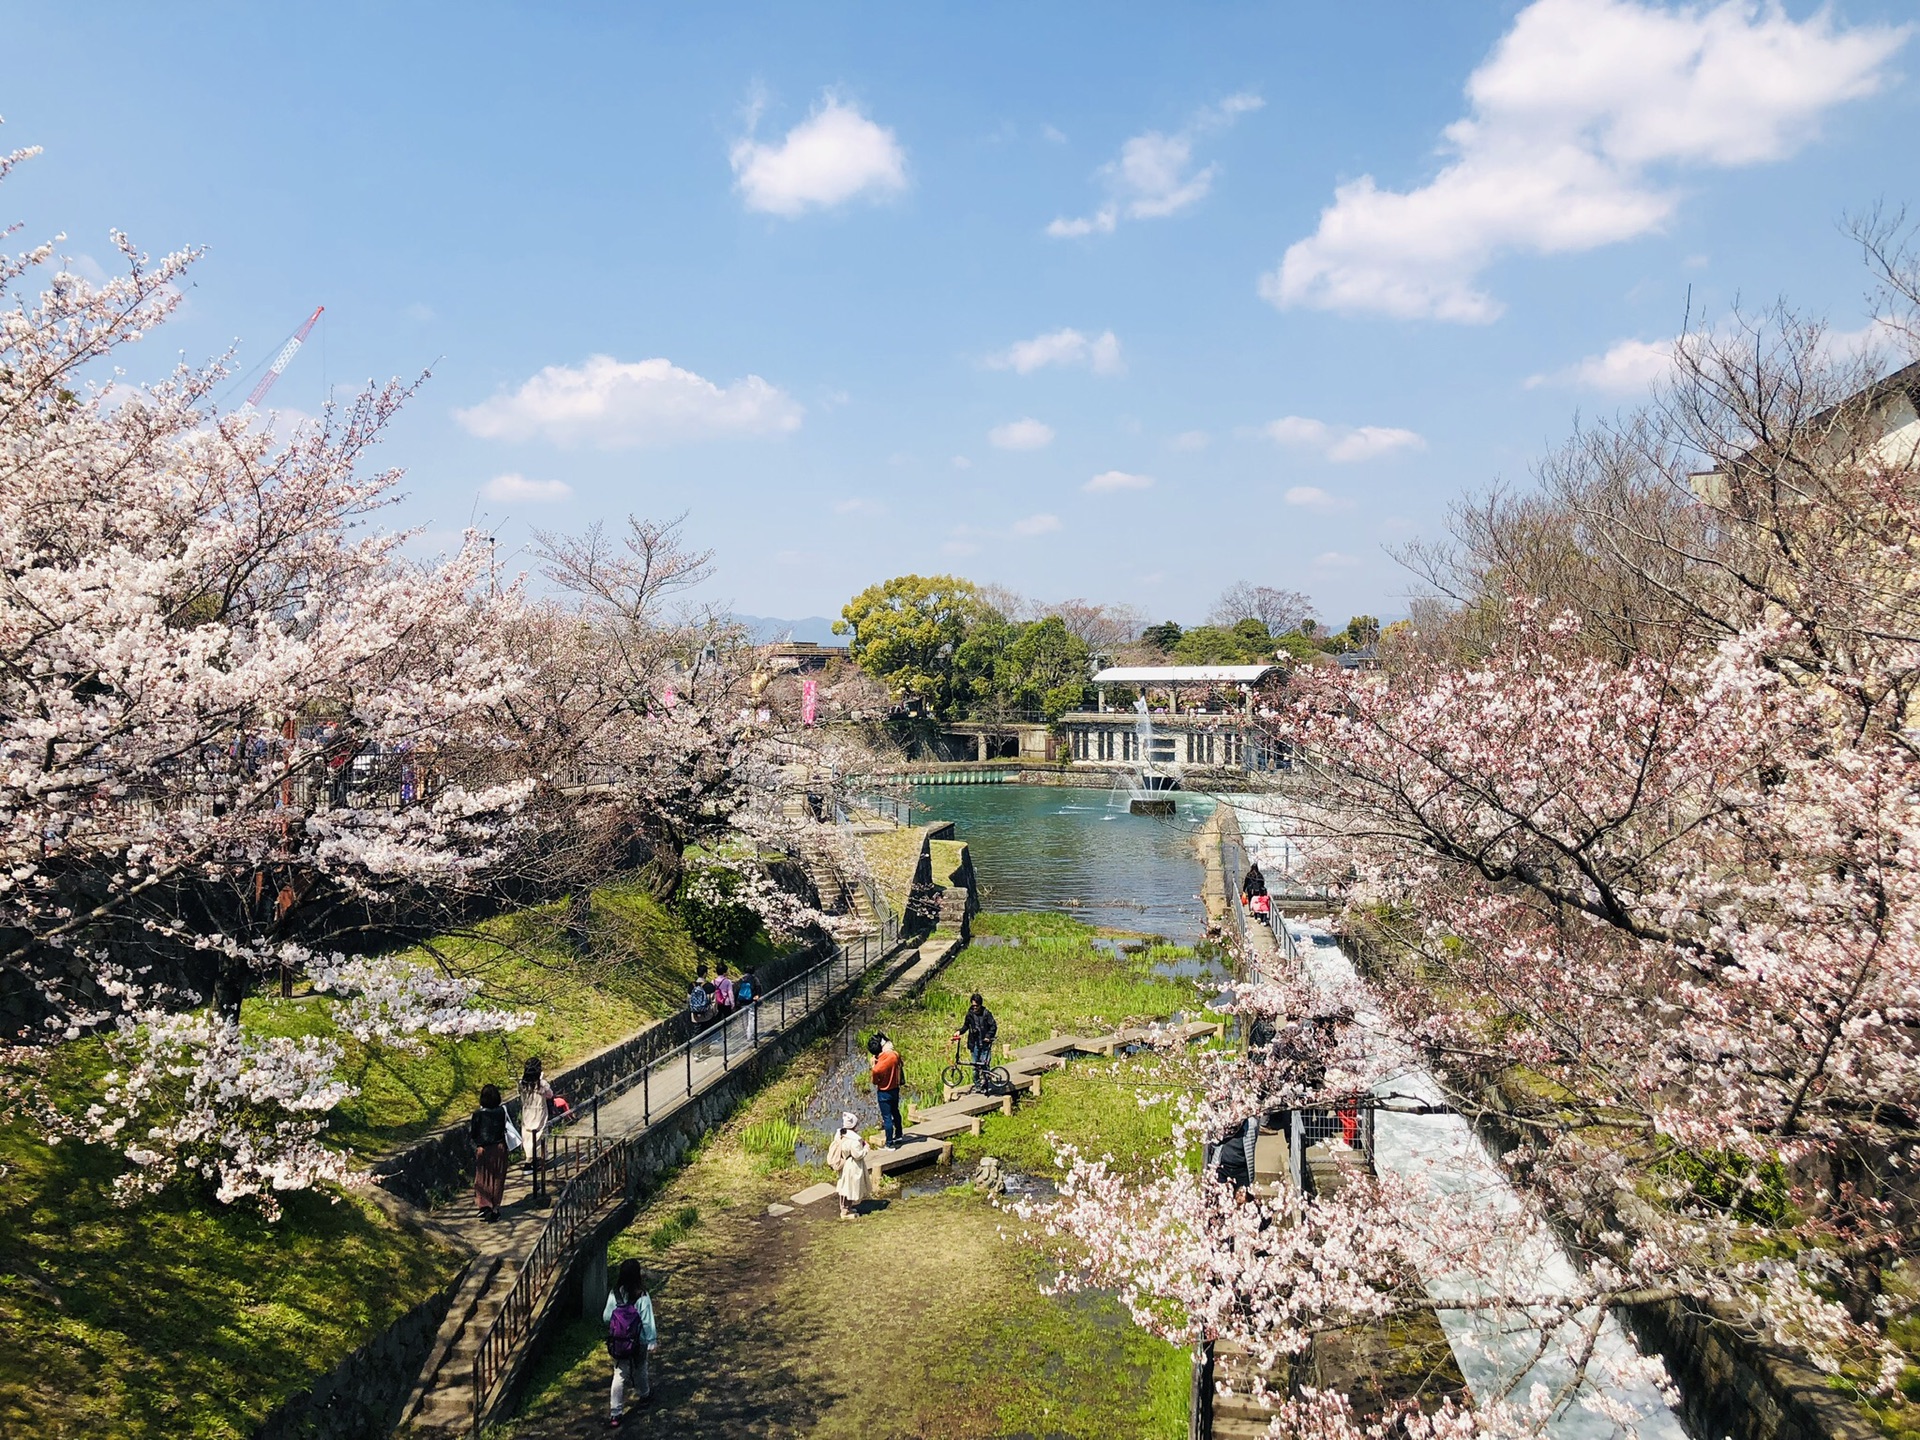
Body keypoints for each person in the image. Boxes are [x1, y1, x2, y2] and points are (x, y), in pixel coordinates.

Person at [603, 1257, 657, 1425]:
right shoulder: (642, 1295)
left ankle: (615, 1412)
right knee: (641, 1368)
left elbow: (606, 1316)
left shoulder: (615, 1293)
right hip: (638, 1341)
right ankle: (645, 1395)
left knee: (619, 1375)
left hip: (619, 1342)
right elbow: (647, 1321)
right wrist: (652, 1340)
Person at [469, 1083, 510, 1221]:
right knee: (498, 1177)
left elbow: (473, 1133)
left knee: (482, 1177)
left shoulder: (477, 1114)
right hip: (499, 1147)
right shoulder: (501, 1111)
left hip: (483, 1148)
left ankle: (484, 1204)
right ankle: (495, 1207)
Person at [518, 1056, 555, 1203]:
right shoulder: (542, 1084)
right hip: (539, 1111)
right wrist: (542, 1079)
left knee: (527, 1135)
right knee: (539, 1134)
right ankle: (535, 1160)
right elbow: (550, 1094)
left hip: (527, 1111)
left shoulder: (522, 1084)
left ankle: (529, 1159)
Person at [825, 1111, 872, 1219]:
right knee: (849, 1188)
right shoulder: (854, 1140)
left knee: (845, 1186)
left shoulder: (840, 1134)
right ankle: (845, 1212)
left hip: (844, 1163)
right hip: (852, 1166)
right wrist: (865, 1149)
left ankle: (847, 1208)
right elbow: (858, 1155)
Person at [950, 993, 998, 1092]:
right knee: (975, 1067)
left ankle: (985, 1084)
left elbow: (993, 1026)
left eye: (976, 1006)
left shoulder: (986, 1014)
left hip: (985, 1044)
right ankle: (977, 1085)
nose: (975, 1007)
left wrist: (988, 1036)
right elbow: (966, 1026)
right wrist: (959, 1031)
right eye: (973, 1005)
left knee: (985, 1065)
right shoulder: (969, 1015)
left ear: (980, 1005)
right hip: (974, 1044)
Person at [868, 1033, 904, 1147]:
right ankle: (899, 1135)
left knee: (887, 1118)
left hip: (884, 1093)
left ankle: (889, 1144)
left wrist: (873, 1065)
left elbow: (875, 1081)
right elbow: (900, 1063)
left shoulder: (877, 1069)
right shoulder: (894, 1055)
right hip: (895, 1090)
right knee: (896, 1112)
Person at [735, 966, 758, 1044]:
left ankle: (746, 1034)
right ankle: (751, 1035)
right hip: (751, 1002)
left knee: (744, 1019)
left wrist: (736, 1001)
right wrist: (757, 995)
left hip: (742, 1002)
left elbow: (737, 990)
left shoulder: (742, 979)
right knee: (752, 1018)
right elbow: (758, 988)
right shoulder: (754, 979)